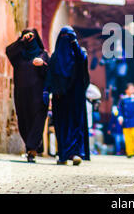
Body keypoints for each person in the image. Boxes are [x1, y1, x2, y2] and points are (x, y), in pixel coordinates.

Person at [43, 26, 90, 165]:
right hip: (60, 97)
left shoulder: (79, 55)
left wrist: (74, 44)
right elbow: (49, 76)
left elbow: (82, 61)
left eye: (70, 37)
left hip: (75, 97)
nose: (67, 39)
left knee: (76, 125)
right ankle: (63, 155)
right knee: (62, 126)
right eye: (64, 36)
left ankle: (75, 153)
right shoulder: (55, 58)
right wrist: (46, 90)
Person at [6, 28, 49, 163]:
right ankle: (31, 146)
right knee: (24, 122)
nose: (29, 40)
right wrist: (22, 40)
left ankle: (32, 150)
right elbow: (9, 51)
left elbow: (49, 73)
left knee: (37, 122)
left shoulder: (42, 54)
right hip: (21, 95)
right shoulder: (19, 56)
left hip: (38, 96)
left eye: (31, 37)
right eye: (26, 38)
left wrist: (43, 64)